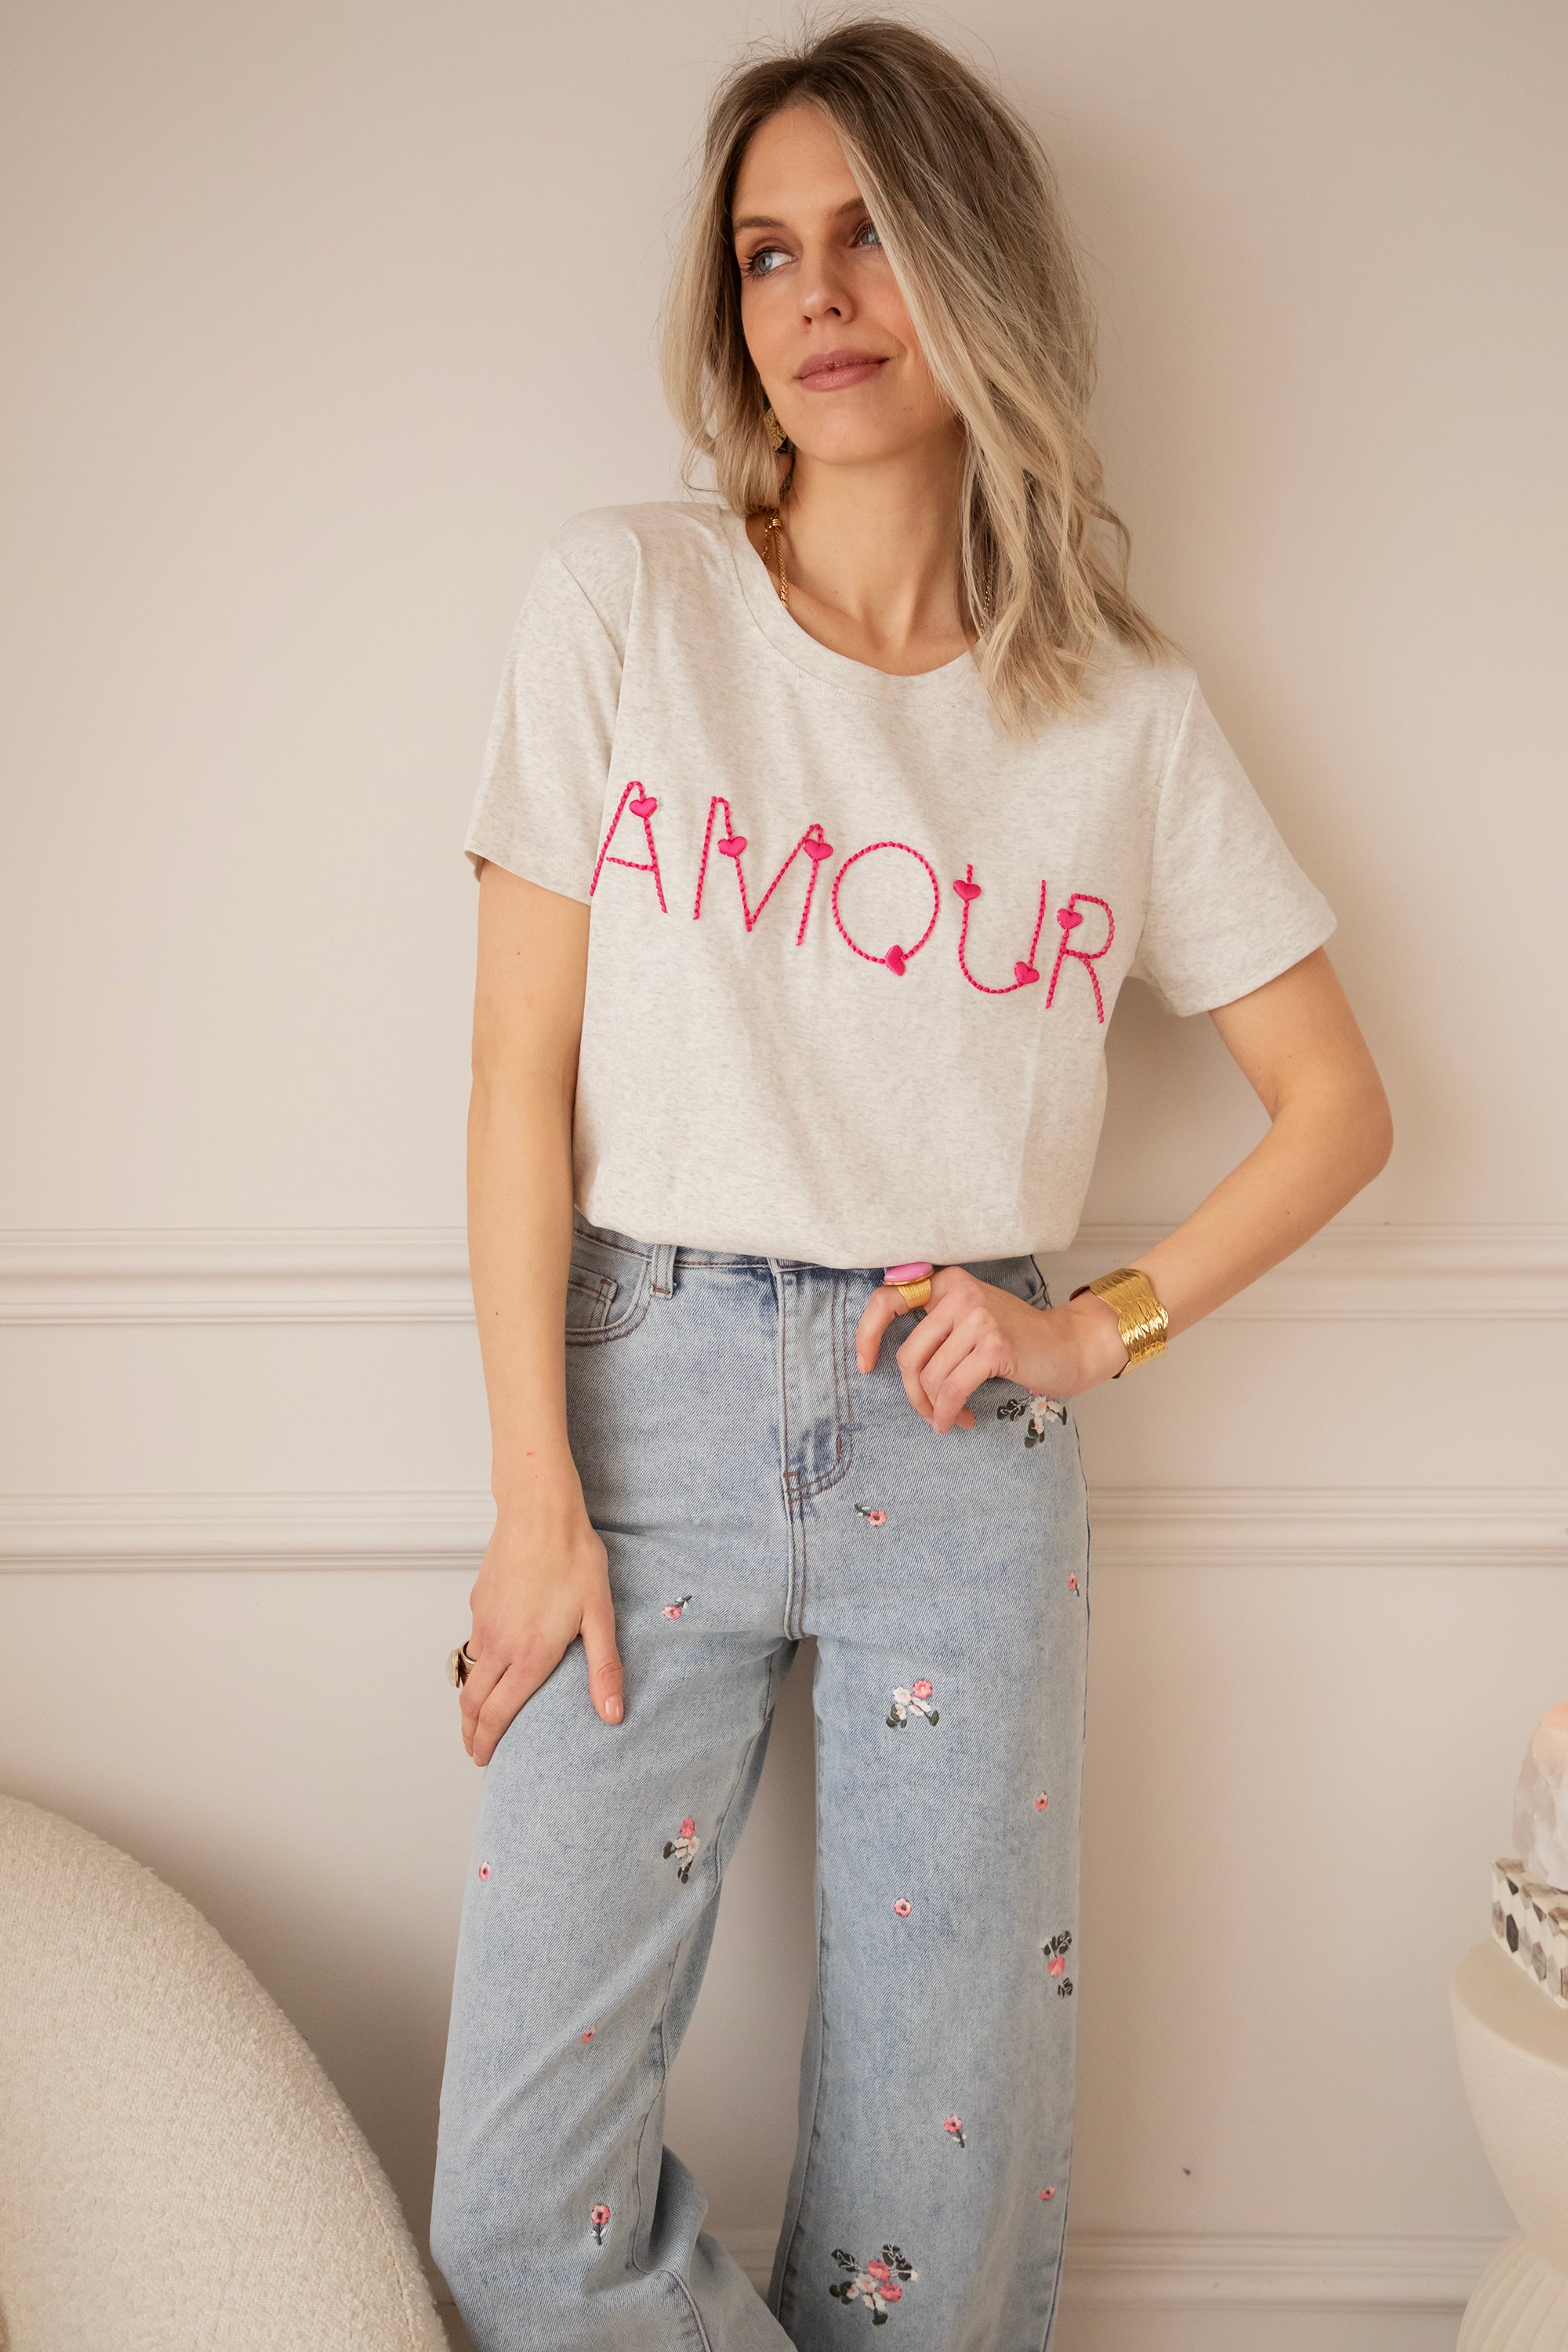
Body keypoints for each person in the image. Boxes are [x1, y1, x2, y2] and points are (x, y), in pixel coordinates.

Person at [428, 20, 1392, 2351]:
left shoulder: (1120, 715)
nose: (818, 298)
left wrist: (1091, 1327)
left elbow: (1337, 1108)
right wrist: (534, 1494)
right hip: (642, 1398)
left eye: (869, 236)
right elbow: (513, 1075)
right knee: (519, 2213)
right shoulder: (624, 603)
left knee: (928, 2244)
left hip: (959, 1442)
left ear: (976, 270)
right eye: (767, 254)